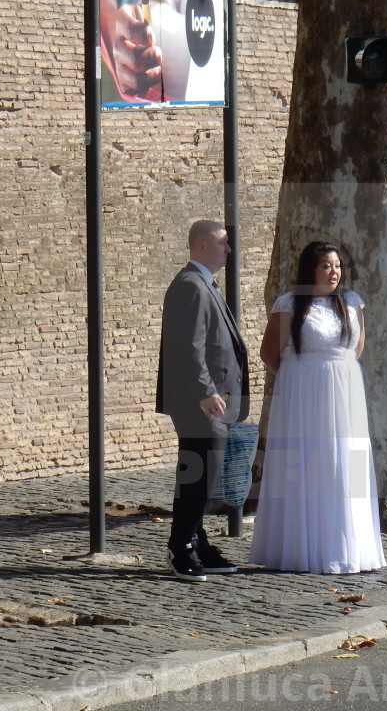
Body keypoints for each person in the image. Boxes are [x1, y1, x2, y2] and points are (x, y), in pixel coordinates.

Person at [249, 241, 386, 574]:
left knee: (343, 463)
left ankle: (346, 545)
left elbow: (356, 348)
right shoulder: (291, 304)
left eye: (337, 266)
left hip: (345, 392)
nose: (334, 272)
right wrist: (301, 381)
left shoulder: (352, 303)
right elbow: (270, 352)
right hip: (302, 396)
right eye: (326, 265)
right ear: (310, 269)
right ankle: (301, 546)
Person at [156, 220, 249, 581]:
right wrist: (205, 391)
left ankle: (197, 541)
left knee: (200, 475)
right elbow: (187, 347)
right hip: (201, 403)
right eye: (223, 243)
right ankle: (181, 548)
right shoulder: (190, 286)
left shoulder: (203, 284)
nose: (229, 250)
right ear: (201, 246)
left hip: (210, 400)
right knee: (198, 475)